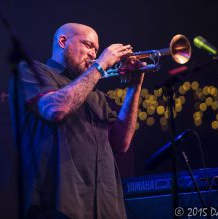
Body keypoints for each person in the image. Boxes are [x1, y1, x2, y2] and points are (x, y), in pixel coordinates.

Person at [9, 23, 144, 219]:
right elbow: (55, 109)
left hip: (106, 208)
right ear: (63, 41)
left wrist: (134, 86)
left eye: (97, 50)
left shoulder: (95, 95)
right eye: (88, 45)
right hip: (57, 206)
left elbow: (121, 142)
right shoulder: (31, 71)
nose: (93, 54)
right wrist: (101, 64)